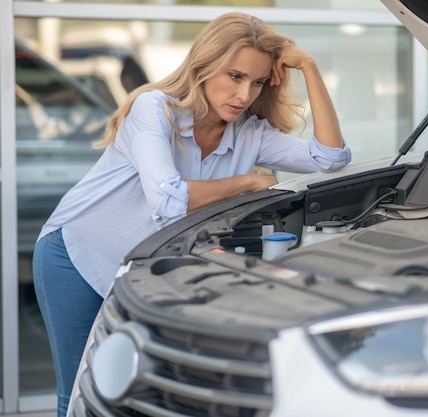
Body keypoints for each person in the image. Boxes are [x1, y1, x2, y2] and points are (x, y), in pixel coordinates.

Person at [32, 12, 351, 417]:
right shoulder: (154, 110)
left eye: (256, 82)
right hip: (75, 253)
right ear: (204, 67)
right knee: (81, 392)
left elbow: (331, 157)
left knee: (141, 393)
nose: (244, 94)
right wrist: (247, 183)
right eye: (234, 76)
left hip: (144, 266)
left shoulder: (249, 134)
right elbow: (169, 200)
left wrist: (308, 66)